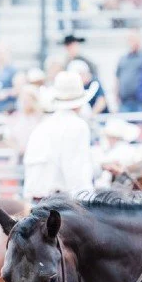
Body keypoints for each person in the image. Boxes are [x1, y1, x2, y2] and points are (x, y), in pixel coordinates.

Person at [22, 71, 96, 201]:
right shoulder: (77, 126)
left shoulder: (42, 126)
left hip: (35, 203)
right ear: (80, 102)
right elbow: (77, 175)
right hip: (59, 206)